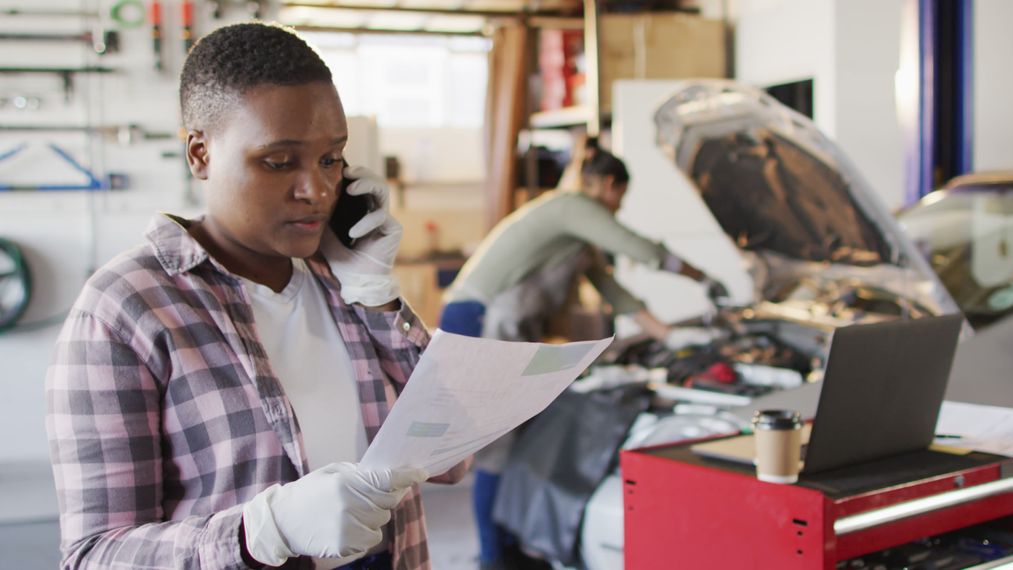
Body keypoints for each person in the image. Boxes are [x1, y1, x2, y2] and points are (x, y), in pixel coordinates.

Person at [45, 22, 465, 570]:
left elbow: (449, 459)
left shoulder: (345, 282)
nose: (315, 189)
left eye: (331, 158)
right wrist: (259, 533)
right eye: (278, 162)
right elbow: (93, 555)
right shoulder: (126, 309)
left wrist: (379, 296)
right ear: (200, 153)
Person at [439, 147, 718, 569]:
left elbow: (610, 289)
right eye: (619, 200)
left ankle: (512, 544)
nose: (616, 209)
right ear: (609, 186)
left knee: (519, 439)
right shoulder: (572, 206)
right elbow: (639, 247)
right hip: (479, 321)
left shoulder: (576, 233)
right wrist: (705, 277)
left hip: (504, 327)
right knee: (496, 446)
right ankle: (494, 557)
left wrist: (671, 333)